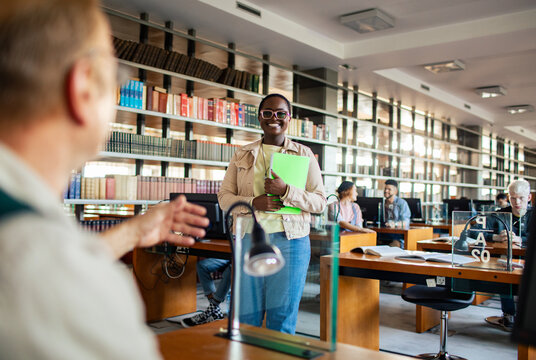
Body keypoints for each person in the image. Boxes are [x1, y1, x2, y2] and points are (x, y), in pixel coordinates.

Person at [0, 1, 210, 358]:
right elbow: (53, 269)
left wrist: (132, 231)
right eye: (116, 78)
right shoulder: (76, 284)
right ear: (82, 89)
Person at [218, 93, 326, 334]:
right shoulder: (242, 154)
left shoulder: (304, 154)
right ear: (259, 117)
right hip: (249, 240)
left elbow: (320, 202)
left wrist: (287, 191)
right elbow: (224, 198)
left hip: (292, 243)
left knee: (282, 317)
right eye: (268, 113)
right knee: (247, 315)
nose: (274, 118)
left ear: (289, 118)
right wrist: (253, 202)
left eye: (280, 113)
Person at [485, 179, 533, 332]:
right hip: (506, 260)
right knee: (504, 268)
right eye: (512, 198)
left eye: (521, 198)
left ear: (529, 197)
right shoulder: (499, 215)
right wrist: (496, 237)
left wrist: (521, 239)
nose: (516, 202)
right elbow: (475, 231)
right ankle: (509, 314)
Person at [180, 258, 231, 327]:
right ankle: (215, 311)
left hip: (243, 258)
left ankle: (212, 309)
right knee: (202, 266)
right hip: (229, 256)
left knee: (231, 269)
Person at [378, 179, 411, 247]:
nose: (386, 191)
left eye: (389, 189)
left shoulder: (402, 203)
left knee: (393, 246)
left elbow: (406, 222)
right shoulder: (381, 203)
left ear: (395, 191)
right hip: (382, 235)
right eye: (385, 189)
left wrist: (394, 224)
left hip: (396, 237)